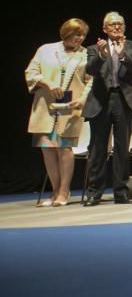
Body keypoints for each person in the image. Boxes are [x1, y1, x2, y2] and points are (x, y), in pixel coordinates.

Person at [82, 12, 132, 206]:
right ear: (105, 29)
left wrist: (122, 56)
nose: (116, 27)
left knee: (122, 148)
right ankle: (95, 192)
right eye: (112, 25)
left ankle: (121, 192)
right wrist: (103, 56)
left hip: (124, 100)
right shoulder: (95, 48)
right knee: (98, 149)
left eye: (120, 24)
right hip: (101, 100)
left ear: (124, 27)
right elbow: (91, 70)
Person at [25, 18, 92, 207]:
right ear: (66, 34)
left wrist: (83, 99)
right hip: (45, 105)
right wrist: (48, 84)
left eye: (83, 35)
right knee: (47, 149)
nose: (80, 38)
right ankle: (54, 192)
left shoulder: (86, 54)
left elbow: (91, 80)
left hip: (70, 106)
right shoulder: (45, 49)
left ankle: (64, 191)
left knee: (64, 148)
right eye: (76, 34)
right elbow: (31, 72)